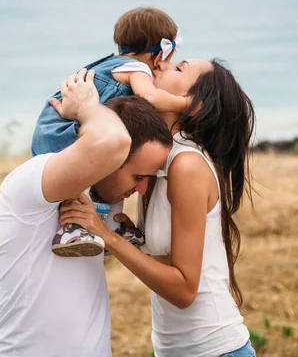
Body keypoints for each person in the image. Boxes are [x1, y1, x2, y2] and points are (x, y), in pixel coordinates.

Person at [59, 59, 258, 356]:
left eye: (179, 69)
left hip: (214, 348)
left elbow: (184, 290)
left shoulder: (186, 165)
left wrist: (107, 234)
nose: (162, 65)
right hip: (171, 349)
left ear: (192, 103)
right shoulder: (158, 159)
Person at [0, 69, 173, 357]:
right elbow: (113, 141)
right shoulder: (31, 182)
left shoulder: (100, 199)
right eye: (138, 176)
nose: (141, 189)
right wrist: (87, 106)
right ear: (110, 159)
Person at [32, 7, 187, 257]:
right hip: (67, 130)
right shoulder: (138, 70)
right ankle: (71, 229)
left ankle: (112, 226)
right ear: (158, 55)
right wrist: (186, 103)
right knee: (86, 178)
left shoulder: (111, 64)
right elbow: (151, 96)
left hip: (51, 128)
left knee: (113, 170)